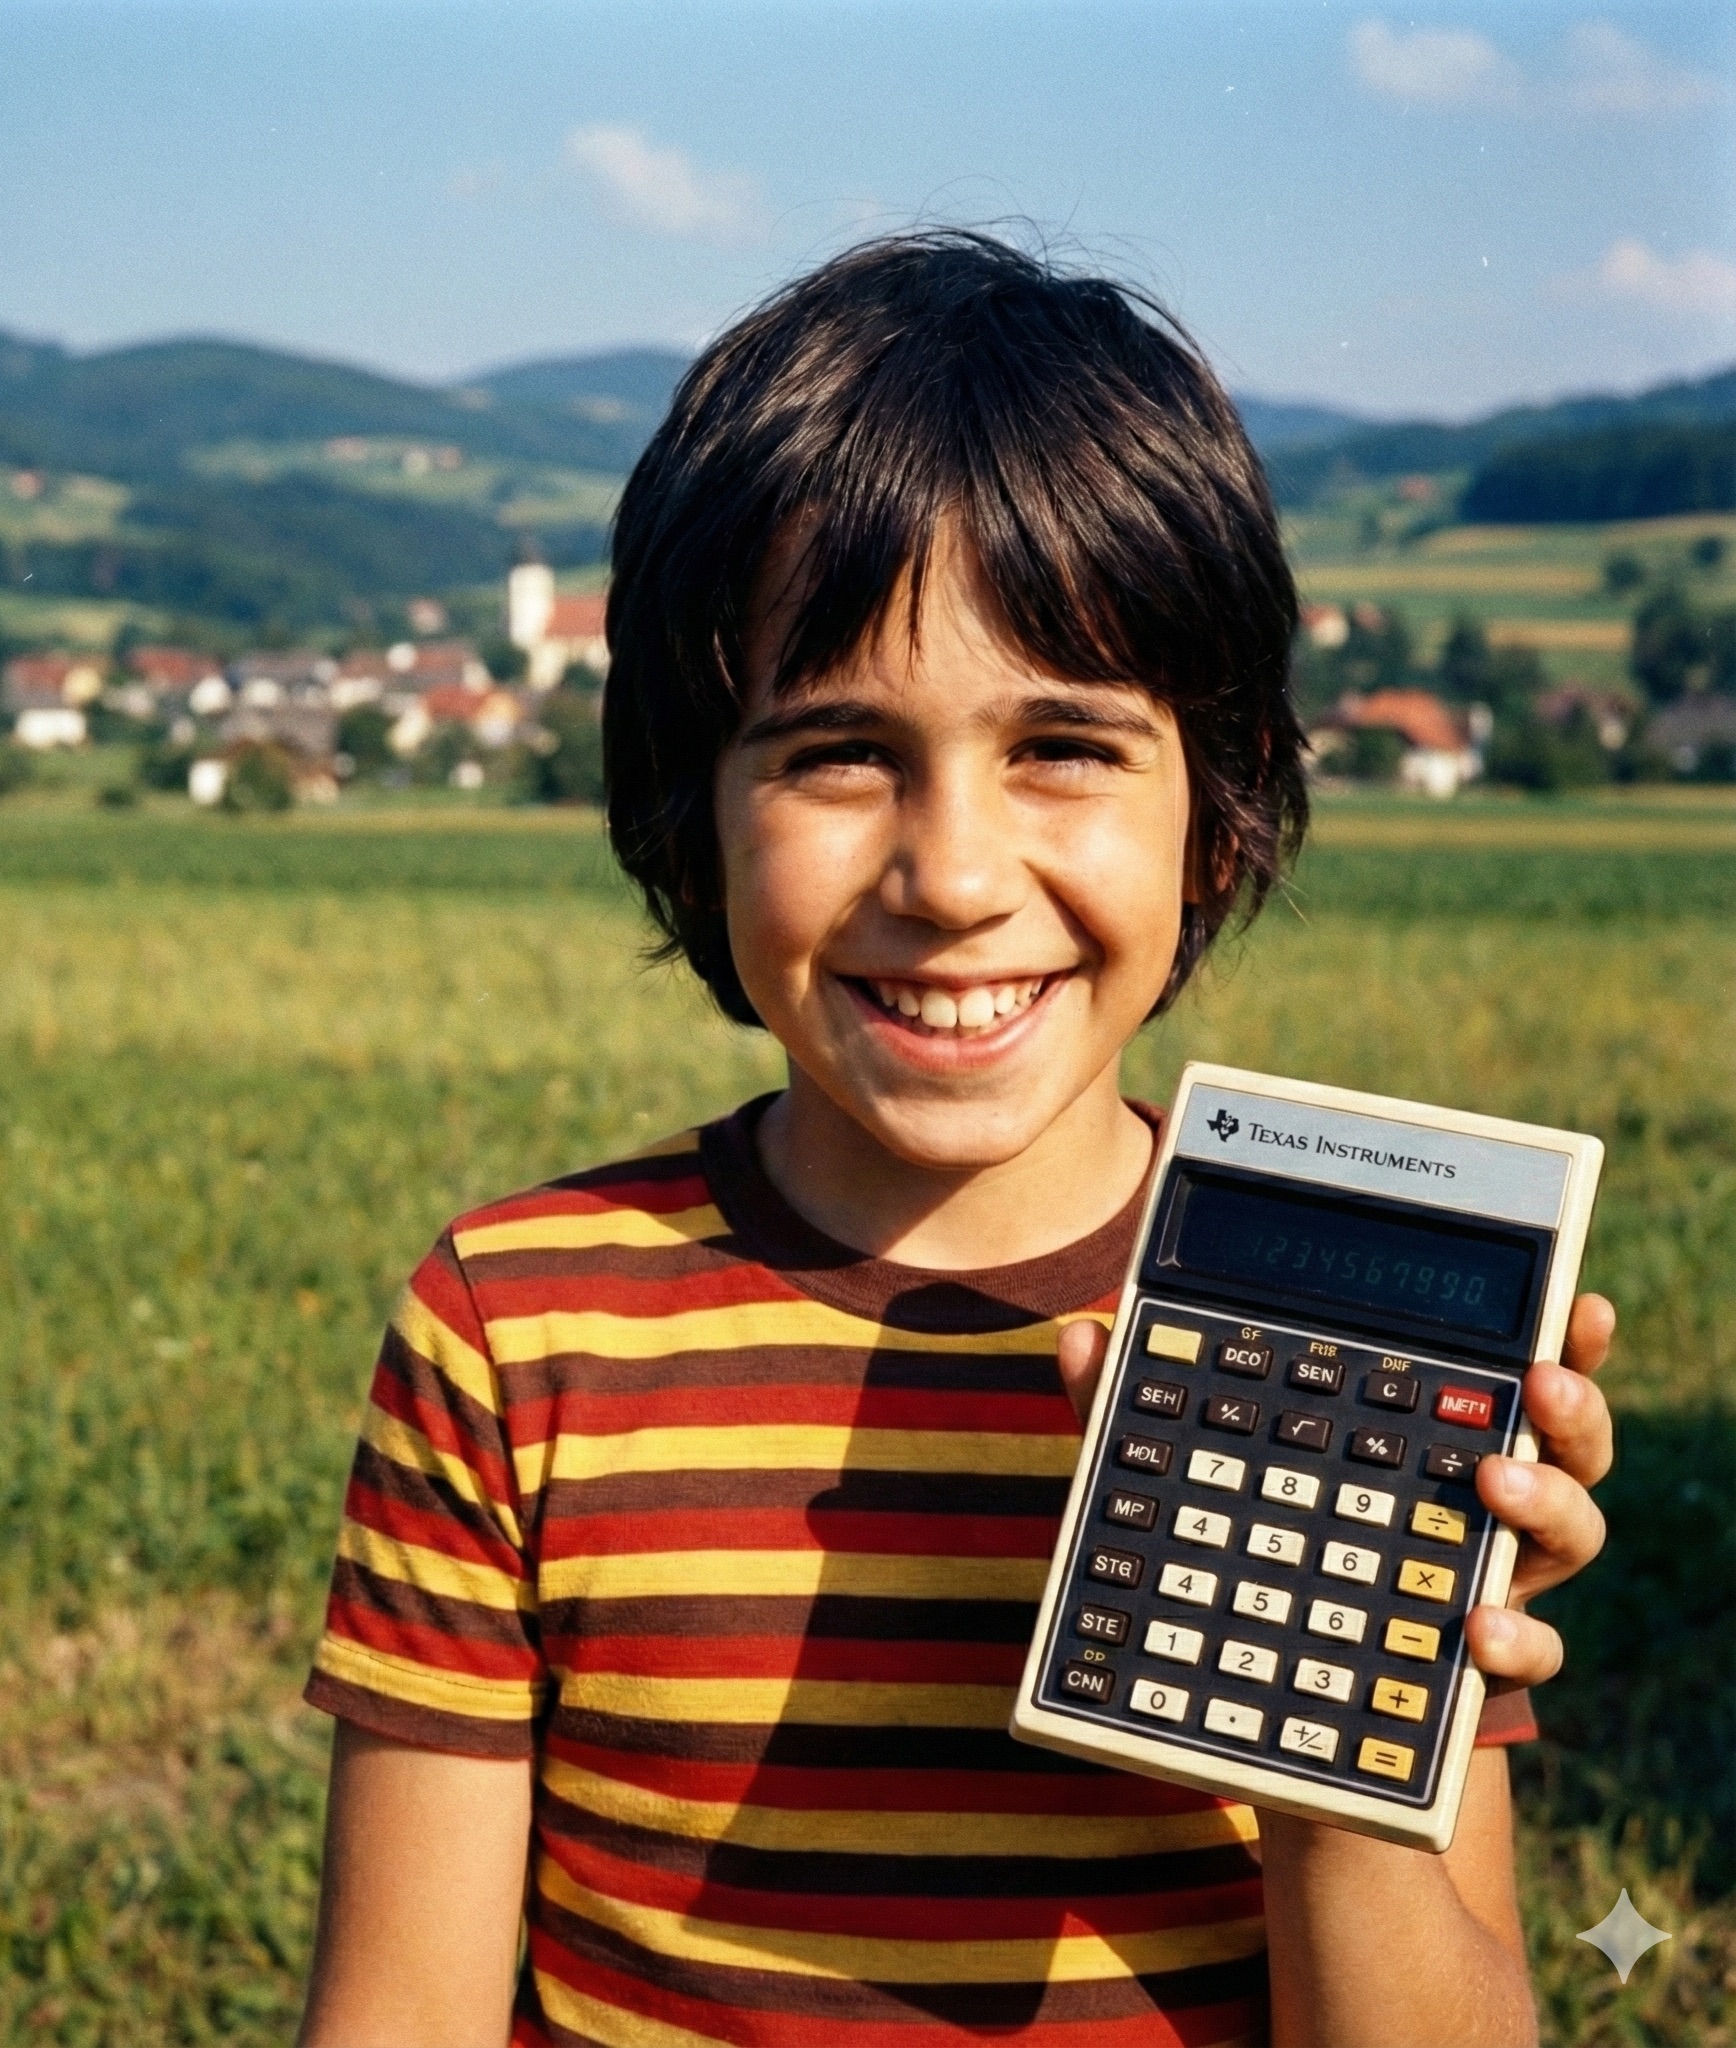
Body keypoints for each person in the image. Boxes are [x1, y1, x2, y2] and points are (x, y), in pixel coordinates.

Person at [295, 232, 1614, 2048]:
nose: (955, 876)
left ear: (1214, 819)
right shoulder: (519, 1334)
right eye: (838, 754)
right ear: (697, 813)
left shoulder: (1351, 1349)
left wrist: (1331, 1737)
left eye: (1064, 747)